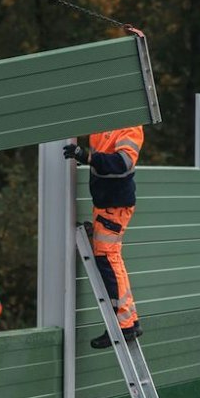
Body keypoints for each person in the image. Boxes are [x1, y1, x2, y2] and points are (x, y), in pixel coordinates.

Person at [65, 125, 144, 349]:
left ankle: (124, 326)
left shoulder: (129, 128)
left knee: (108, 260)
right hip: (106, 204)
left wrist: (88, 157)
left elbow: (122, 163)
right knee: (112, 260)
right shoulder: (105, 124)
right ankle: (129, 322)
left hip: (114, 205)